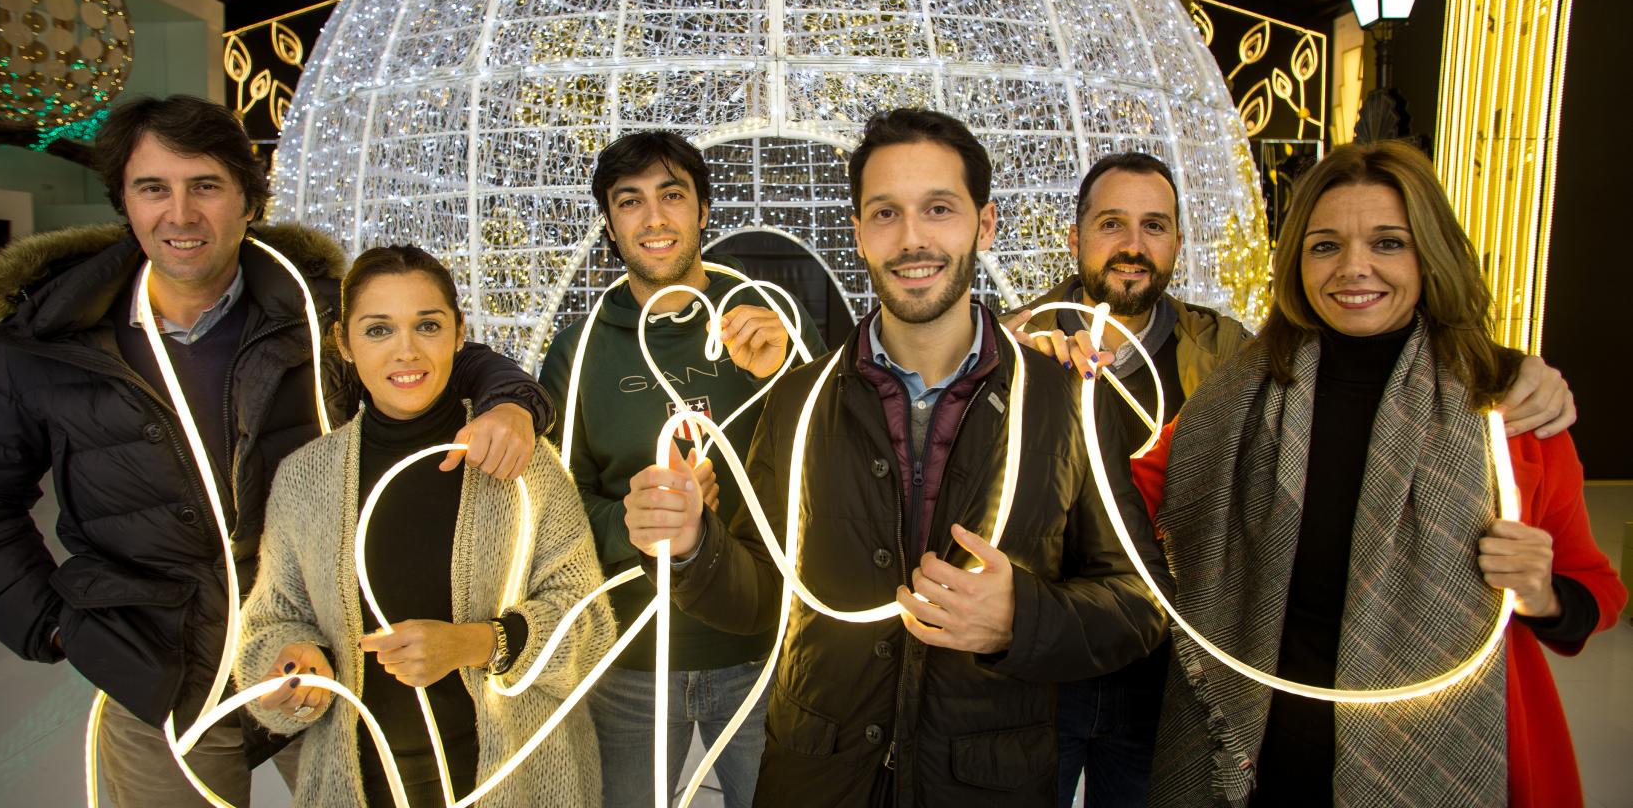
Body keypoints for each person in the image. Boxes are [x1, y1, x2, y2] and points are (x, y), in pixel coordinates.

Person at [0, 95, 553, 807]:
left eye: (206, 186)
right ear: (124, 202)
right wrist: (59, 628)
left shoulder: (315, 309)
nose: (181, 214)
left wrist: (512, 402)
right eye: (153, 188)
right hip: (161, 677)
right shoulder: (49, 341)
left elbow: (436, 354)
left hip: (327, 655)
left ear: (249, 201)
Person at [622, 108, 1170, 807]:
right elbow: (763, 597)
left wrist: (1020, 620)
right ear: (857, 233)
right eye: (885, 213)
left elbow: (1141, 602)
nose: (913, 239)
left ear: (985, 224)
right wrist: (692, 547)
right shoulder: (797, 402)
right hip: (821, 781)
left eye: (939, 209)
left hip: (985, 786)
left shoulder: (1067, 404)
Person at [1000, 151, 1580, 808]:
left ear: (1431, 255)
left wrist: (1545, 593)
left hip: (1432, 748)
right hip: (1260, 753)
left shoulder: (1507, 410)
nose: (1354, 267)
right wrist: (1012, 381)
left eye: (1388, 242)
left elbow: (1589, 594)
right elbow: (1118, 507)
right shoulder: (1241, 393)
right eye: (1325, 244)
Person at [237, 245, 614, 807]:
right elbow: (270, 624)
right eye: (378, 330)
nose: (406, 351)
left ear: (460, 333)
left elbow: (591, 627)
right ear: (343, 343)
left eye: (428, 325)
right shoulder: (304, 480)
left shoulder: (521, 463)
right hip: (363, 785)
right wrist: (293, 665)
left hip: (521, 783)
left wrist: (479, 643)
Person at [538, 130, 825, 808]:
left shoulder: (771, 325)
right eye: (630, 201)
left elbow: (835, 470)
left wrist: (790, 371)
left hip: (766, 651)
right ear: (609, 224)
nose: (655, 218)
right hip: (631, 661)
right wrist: (641, 523)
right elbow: (552, 506)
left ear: (703, 210)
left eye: (673, 196)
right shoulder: (580, 350)